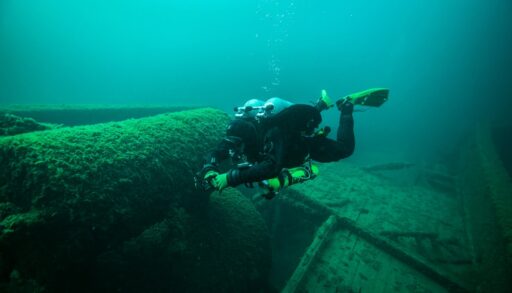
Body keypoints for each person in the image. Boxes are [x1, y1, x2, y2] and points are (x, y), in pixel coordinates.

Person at [195, 88, 388, 199]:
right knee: (269, 179)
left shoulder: (273, 132)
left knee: (345, 149)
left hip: (303, 147)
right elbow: (221, 149)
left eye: (239, 142)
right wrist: (210, 168)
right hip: (282, 154)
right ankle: (320, 105)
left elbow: (271, 166)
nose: (236, 147)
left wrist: (229, 178)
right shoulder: (243, 129)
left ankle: (346, 107)